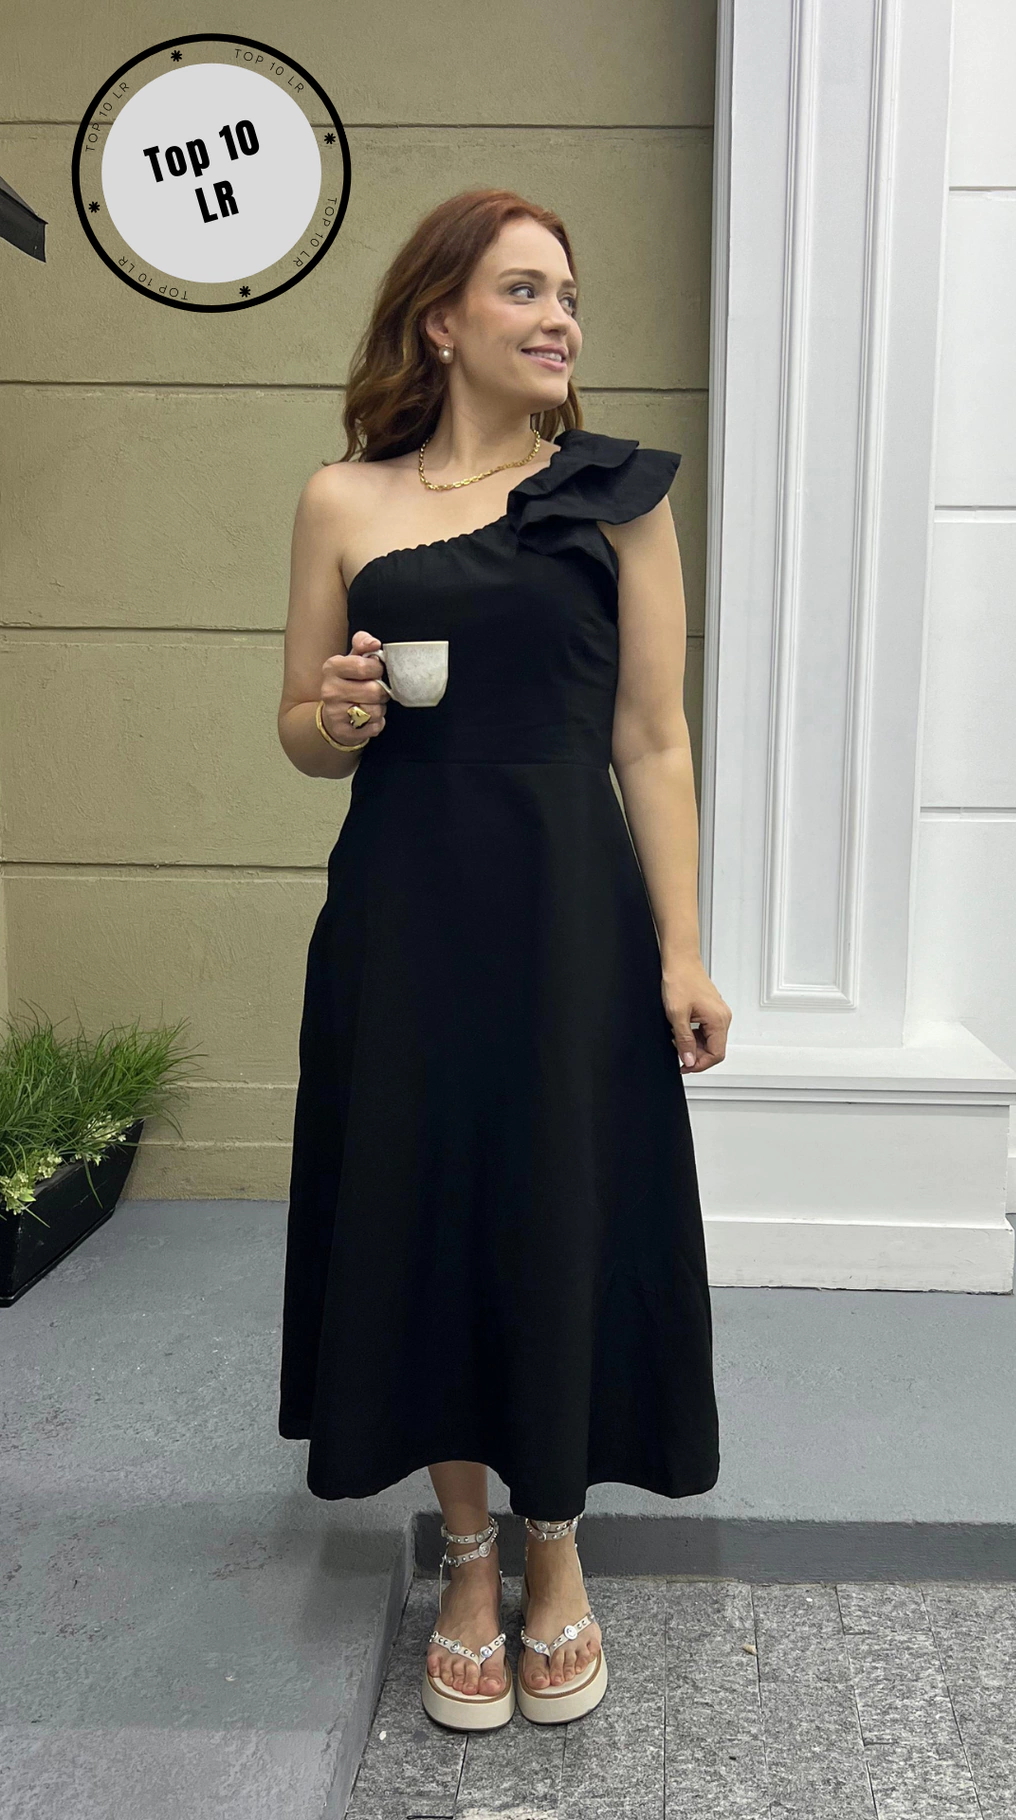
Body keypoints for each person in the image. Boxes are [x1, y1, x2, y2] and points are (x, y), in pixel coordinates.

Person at [277, 188, 730, 1732]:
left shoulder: (617, 499)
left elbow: (652, 740)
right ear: (440, 320)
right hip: (402, 916)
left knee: (556, 1206)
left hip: (569, 918)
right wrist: (338, 716)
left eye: (570, 294)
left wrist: (682, 952)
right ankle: (466, 1557)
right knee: (425, 1210)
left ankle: (557, 1543)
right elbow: (301, 730)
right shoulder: (342, 499)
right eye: (525, 290)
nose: (560, 319)